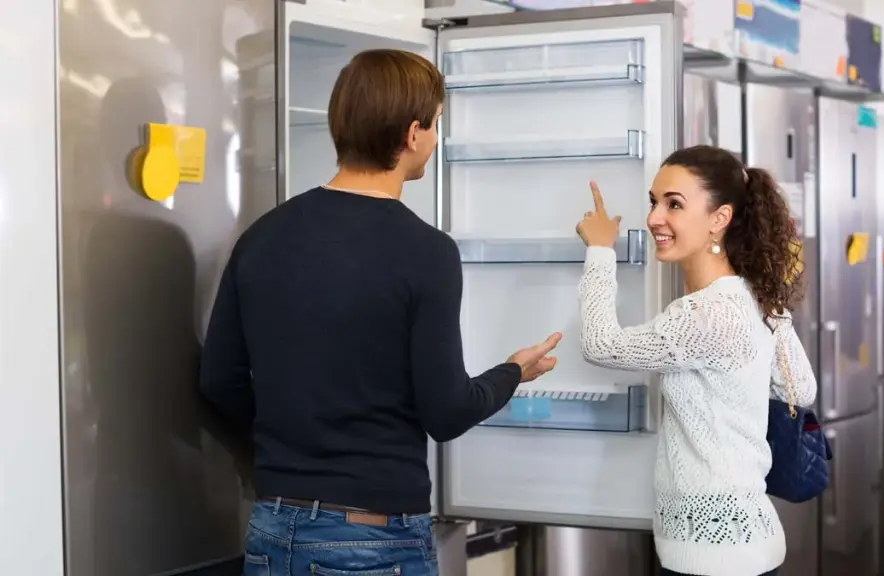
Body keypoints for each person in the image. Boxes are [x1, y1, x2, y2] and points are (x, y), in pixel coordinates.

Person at [199, 48, 562, 576]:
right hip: (371, 540)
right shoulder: (426, 252)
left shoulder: (263, 236)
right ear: (413, 134)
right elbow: (446, 412)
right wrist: (514, 372)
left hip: (272, 531)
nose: (436, 139)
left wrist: (293, 441)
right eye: (436, 124)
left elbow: (219, 381)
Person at [575, 145, 817, 576]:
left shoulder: (702, 315)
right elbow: (800, 389)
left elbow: (601, 345)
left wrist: (599, 251)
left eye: (674, 204)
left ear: (719, 219)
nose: (654, 218)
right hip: (752, 544)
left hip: (710, 559)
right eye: (654, 202)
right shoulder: (754, 299)